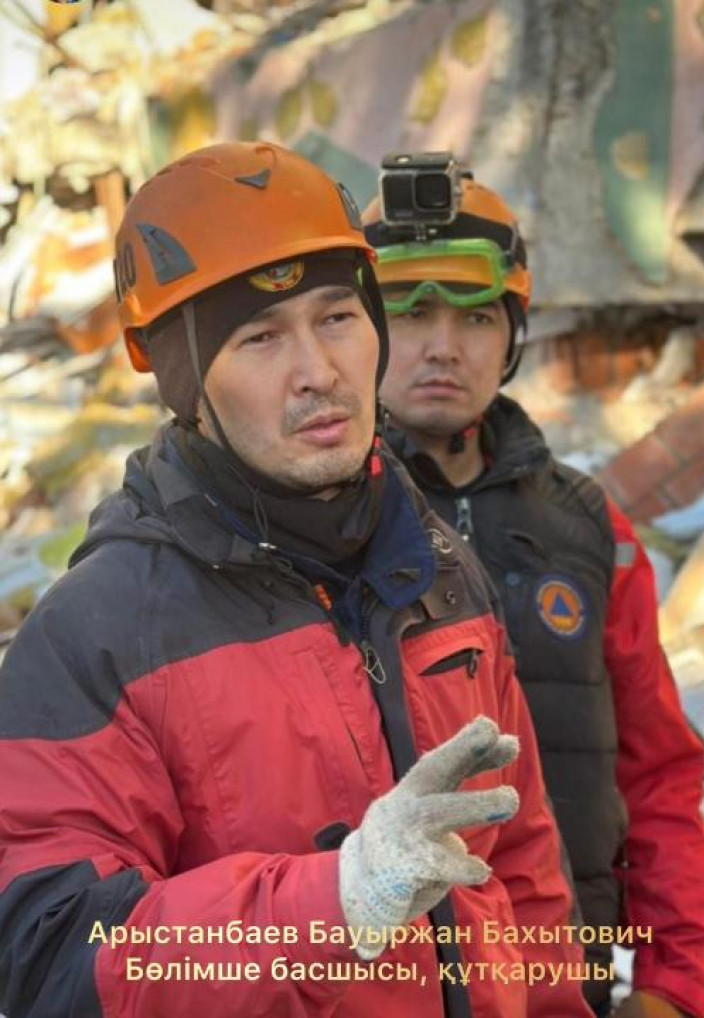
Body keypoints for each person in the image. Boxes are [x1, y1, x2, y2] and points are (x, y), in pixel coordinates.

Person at [0, 142, 594, 1018]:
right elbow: (53, 962)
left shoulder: (435, 565)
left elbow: (522, 877)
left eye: (338, 317)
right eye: (261, 337)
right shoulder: (95, 638)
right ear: (186, 382)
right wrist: (336, 902)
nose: (319, 371)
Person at [363, 170, 704, 1018]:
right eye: (411, 312)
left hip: (569, 981)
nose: (444, 346)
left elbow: (659, 773)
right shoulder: (315, 527)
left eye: (477, 316)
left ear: (513, 335)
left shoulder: (591, 527)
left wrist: (670, 983)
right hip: (390, 988)